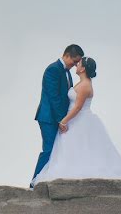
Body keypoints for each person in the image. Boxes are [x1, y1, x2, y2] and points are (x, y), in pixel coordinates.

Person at [31, 56, 121, 186]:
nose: (76, 65)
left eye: (78, 63)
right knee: (70, 149)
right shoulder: (83, 82)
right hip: (74, 119)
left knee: (77, 148)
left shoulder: (85, 85)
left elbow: (78, 107)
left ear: (83, 68)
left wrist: (64, 121)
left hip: (78, 120)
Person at [31, 44, 83, 187]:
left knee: (58, 150)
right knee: (49, 150)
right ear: (67, 56)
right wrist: (62, 120)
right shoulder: (53, 69)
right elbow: (54, 98)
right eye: (74, 61)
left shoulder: (67, 72)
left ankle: (46, 182)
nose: (75, 65)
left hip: (58, 117)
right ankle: (34, 184)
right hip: (48, 118)